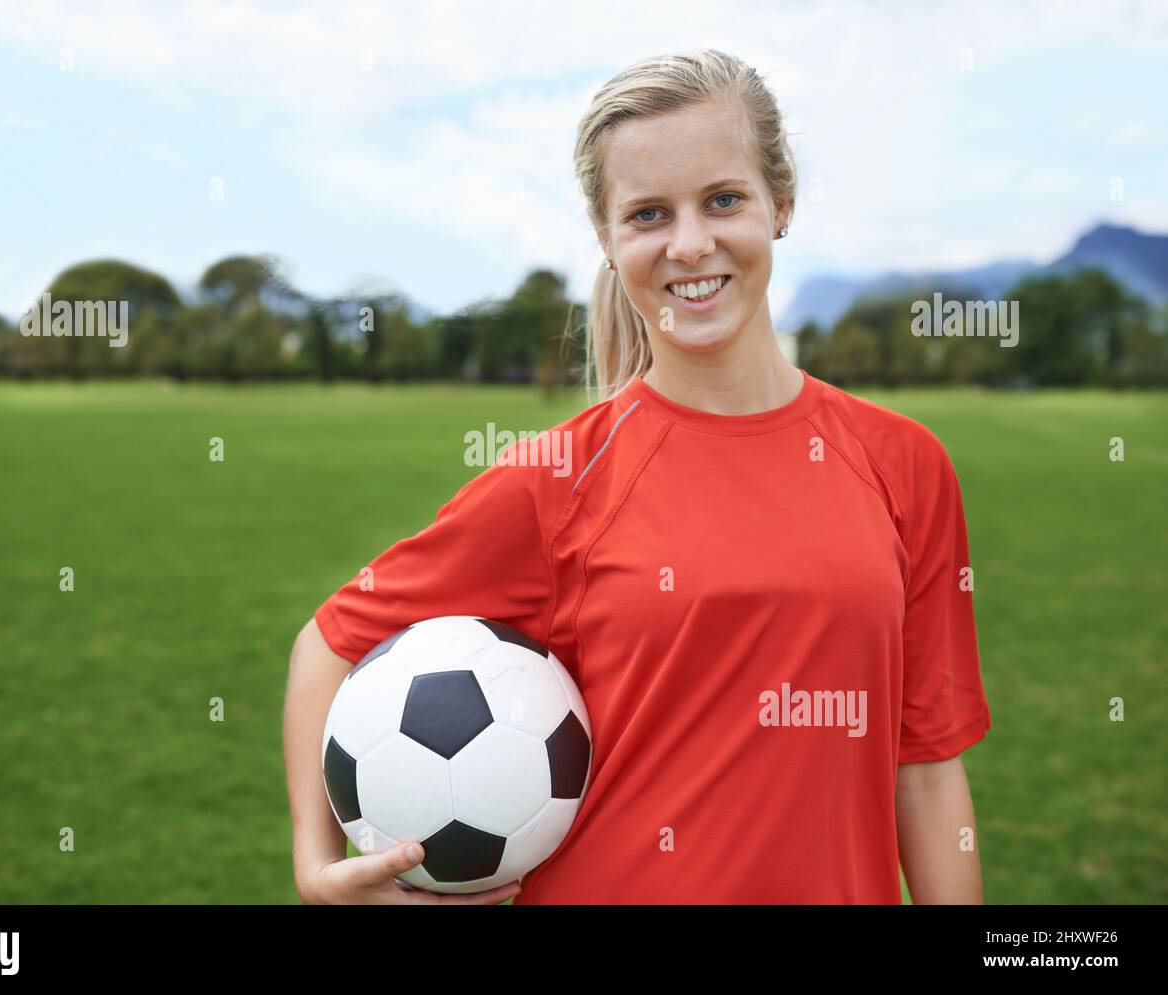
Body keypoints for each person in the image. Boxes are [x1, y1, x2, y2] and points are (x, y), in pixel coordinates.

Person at [284, 47, 991, 904]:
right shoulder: (560, 479)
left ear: (782, 202)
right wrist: (317, 867)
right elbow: (330, 641)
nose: (691, 244)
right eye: (649, 214)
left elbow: (925, 767)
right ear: (610, 240)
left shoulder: (903, 463)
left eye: (722, 199)